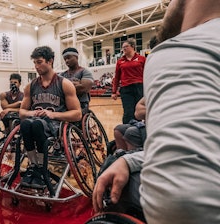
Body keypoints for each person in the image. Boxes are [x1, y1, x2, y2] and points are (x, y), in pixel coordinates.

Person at [93, 1, 220, 223]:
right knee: (126, 125)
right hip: (129, 92)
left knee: (115, 178)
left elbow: (183, 201)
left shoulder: (176, 51)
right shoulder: (125, 62)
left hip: (140, 87)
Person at [19, 46, 81, 188]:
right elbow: (22, 112)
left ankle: (41, 166)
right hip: (35, 122)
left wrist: (53, 114)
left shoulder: (64, 84)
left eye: (39, 62)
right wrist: (32, 113)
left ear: (50, 61)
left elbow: (77, 113)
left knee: (37, 125)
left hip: (55, 125)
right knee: (26, 124)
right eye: (34, 63)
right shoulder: (31, 86)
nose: (36, 66)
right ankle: (34, 165)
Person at [111, 38, 145, 124]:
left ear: (132, 46)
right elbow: (117, 77)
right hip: (126, 89)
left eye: (126, 46)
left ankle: (138, 130)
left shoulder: (142, 59)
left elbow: (147, 73)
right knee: (128, 112)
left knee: (139, 111)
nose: (124, 49)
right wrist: (114, 92)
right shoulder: (120, 61)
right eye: (123, 47)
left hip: (139, 87)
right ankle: (126, 132)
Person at [60, 47, 94, 114]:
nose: (66, 61)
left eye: (69, 58)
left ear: (76, 57)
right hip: (66, 103)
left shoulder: (85, 71)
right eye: (65, 59)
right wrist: (76, 84)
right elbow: (58, 90)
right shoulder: (62, 74)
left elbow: (84, 88)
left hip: (81, 103)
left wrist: (66, 87)